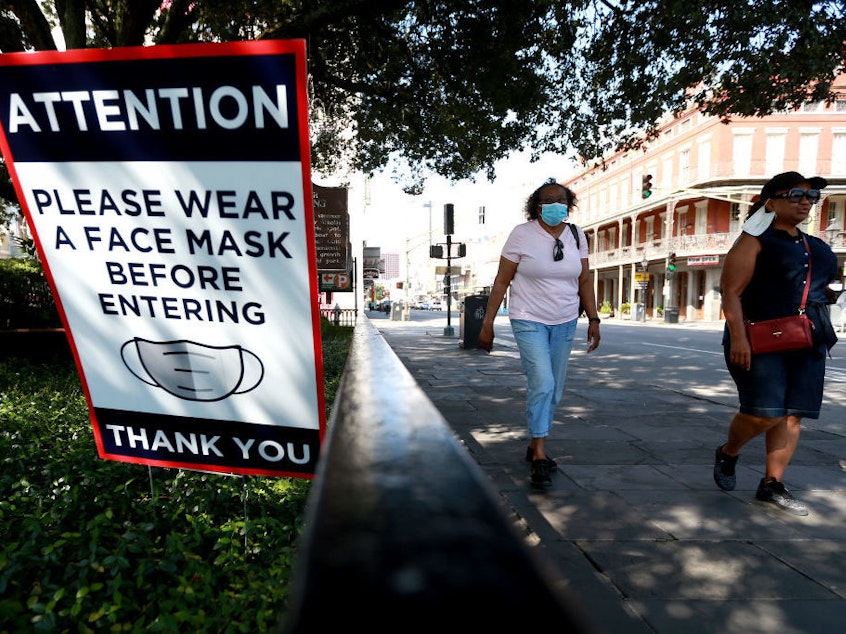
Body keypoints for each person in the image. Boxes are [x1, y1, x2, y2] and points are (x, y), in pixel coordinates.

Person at [714, 171, 838, 516]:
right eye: (795, 194)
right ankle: (729, 451)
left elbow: (830, 285)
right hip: (758, 338)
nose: (805, 201)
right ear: (770, 202)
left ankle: (772, 484)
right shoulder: (754, 241)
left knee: (792, 416)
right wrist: (738, 337)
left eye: (811, 196)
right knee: (762, 414)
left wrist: (831, 291)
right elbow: (731, 292)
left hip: (807, 338)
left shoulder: (820, 247)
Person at [478, 178, 601, 489]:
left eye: (560, 200)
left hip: (565, 321)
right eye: (547, 200)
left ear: (568, 205)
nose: (554, 205)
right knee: (542, 383)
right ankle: (540, 456)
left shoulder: (576, 235)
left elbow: (584, 280)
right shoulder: (522, 235)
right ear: (536, 206)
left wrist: (595, 319)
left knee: (555, 388)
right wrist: (487, 323)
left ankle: (535, 442)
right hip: (528, 318)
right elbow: (502, 281)